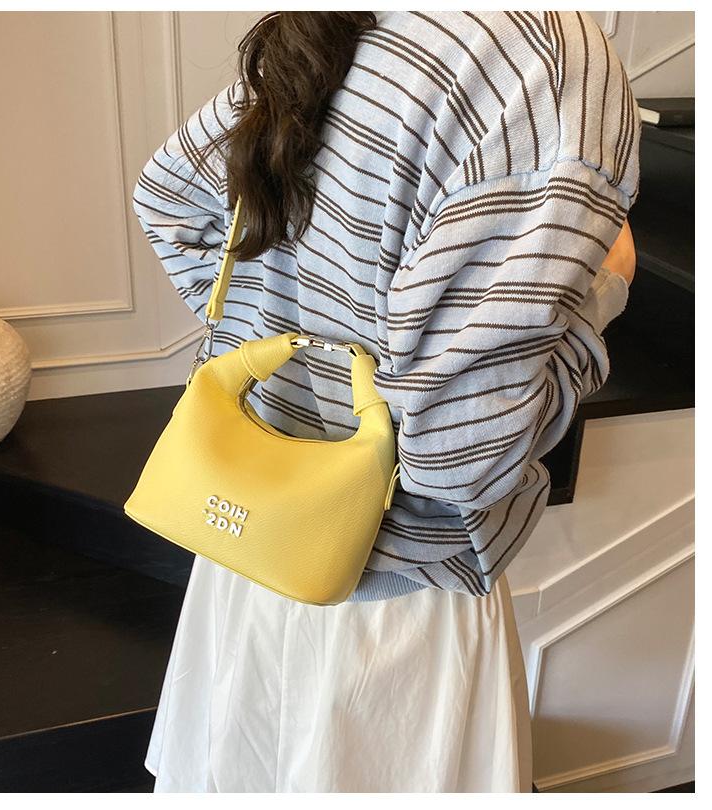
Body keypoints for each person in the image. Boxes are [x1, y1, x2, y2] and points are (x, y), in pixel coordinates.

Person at [131, 11, 640, 792]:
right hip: (397, 627)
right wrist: (603, 293)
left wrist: (277, 356)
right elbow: (457, 456)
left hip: (245, 551)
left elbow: (171, 198)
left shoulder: (359, 19)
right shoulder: (546, 62)